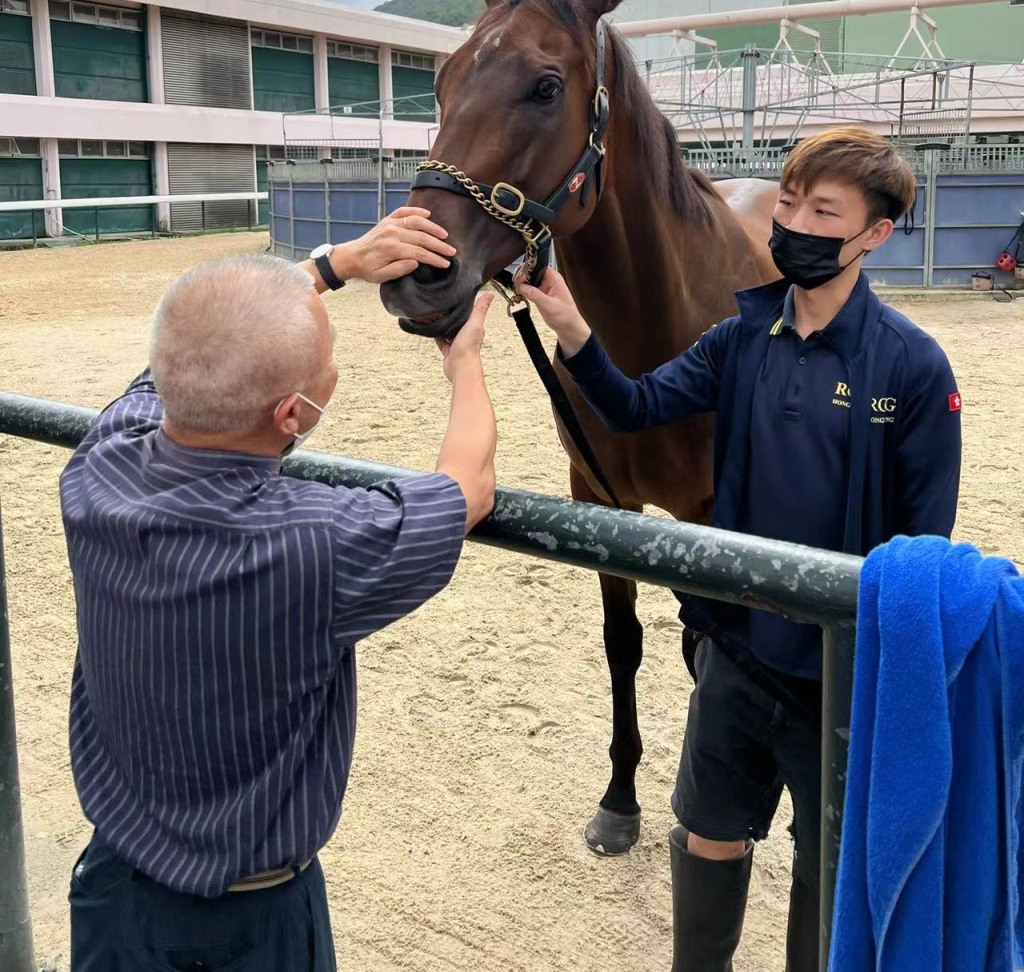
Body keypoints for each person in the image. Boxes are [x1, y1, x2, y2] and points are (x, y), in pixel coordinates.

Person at [517, 127, 962, 972]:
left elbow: (923, 547)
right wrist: (572, 327)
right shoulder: (739, 337)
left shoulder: (914, 368)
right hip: (733, 652)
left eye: (821, 209)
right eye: (787, 201)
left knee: (821, 864)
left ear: (875, 233)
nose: (791, 221)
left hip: (837, 672)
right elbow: (633, 405)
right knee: (708, 833)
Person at [61, 207, 495, 971]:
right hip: (254, 921)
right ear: (293, 413)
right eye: (329, 364)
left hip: (114, 888)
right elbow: (469, 486)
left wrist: (338, 265)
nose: (333, 369)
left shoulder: (100, 462)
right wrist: (465, 364)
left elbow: (207, 327)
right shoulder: (318, 541)